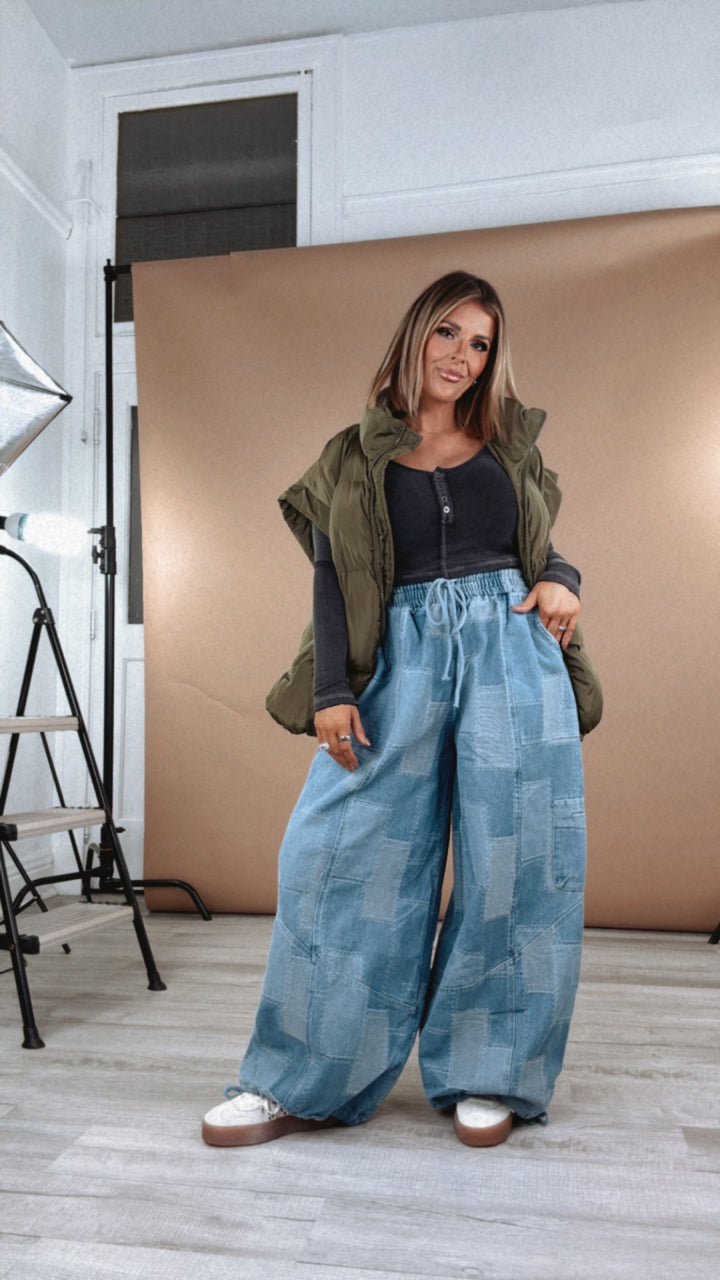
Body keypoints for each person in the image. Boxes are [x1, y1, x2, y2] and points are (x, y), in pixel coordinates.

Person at [202, 270, 602, 1150]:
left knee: (519, 864)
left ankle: (492, 1070)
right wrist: (332, 691)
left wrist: (562, 580)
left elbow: (540, 546)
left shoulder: (508, 444)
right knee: (341, 862)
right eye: (449, 332)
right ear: (417, 333)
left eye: (481, 343)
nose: (463, 356)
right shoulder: (350, 456)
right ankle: (299, 1079)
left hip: (513, 653)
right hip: (400, 661)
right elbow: (329, 578)